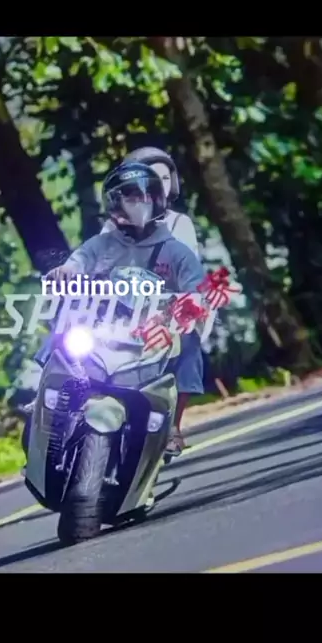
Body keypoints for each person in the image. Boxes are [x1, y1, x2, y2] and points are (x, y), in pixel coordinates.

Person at [23, 160, 207, 485]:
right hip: (104, 327)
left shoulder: (176, 251)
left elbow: (198, 292)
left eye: (145, 195)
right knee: (67, 319)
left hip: (152, 333)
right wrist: (65, 272)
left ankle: (172, 427)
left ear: (158, 199)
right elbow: (78, 262)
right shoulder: (103, 244)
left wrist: (184, 309)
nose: (139, 202)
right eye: (131, 196)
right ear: (115, 202)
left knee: (189, 341)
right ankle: (45, 395)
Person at [101, 147, 213, 455]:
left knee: (188, 344)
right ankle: (50, 400)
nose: (158, 185)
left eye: (164, 178)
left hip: (165, 310)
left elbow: (187, 271)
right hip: (119, 309)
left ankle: (173, 425)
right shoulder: (113, 225)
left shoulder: (179, 224)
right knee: (66, 333)